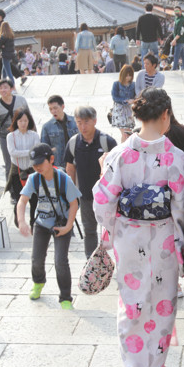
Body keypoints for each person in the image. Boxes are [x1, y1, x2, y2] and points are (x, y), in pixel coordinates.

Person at [93, 88, 184, 367]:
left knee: (131, 301)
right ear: (165, 115)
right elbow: (181, 207)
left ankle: (133, 365)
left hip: (128, 240)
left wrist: (112, 231)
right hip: (164, 242)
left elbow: (102, 200)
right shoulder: (176, 157)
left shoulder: (120, 155)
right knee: (163, 304)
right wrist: (182, 247)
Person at [17, 143, 81, 310]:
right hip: (42, 223)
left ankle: (65, 297)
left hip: (61, 224)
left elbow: (74, 204)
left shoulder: (63, 179)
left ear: (51, 160)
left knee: (60, 261)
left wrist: (68, 227)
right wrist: (22, 221)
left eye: (40, 163)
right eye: (34, 164)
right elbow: (22, 200)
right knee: (36, 259)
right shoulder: (34, 178)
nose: (37, 167)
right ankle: (38, 282)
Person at [65, 106, 117, 258]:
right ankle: (91, 262)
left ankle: (115, 261)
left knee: (112, 230)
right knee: (89, 231)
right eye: (79, 122)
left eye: (86, 122)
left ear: (95, 121)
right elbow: (70, 168)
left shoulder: (106, 141)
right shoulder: (74, 143)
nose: (83, 126)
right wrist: (72, 194)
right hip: (86, 196)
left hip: (107, 197)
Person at [6, 109, 40, 226]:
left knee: (34, 199)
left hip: (32, 171)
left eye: (25, 120)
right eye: (21, 121)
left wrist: (28, 152)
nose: (23, 123)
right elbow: (13, 152)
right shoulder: (11, 136)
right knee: (19, 197)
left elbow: (37, 151)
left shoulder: (34, 135)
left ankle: (33, 222)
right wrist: (30, 152)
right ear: (16, 122)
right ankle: (19, 220)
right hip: (17, 171)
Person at [0, 79, 28, 179]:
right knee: (9, 165)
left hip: (23, 135)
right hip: (5, 137)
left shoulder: (21, 100)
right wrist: (1, 137)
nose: (3, 90)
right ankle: (10, 189)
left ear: (11, 88)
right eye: (0, 88)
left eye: (5, 87)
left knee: (25, 163)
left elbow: (29, 117)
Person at [40, 95, 78, 169]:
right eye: (50, 109)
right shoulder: (47, 127)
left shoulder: (75, 122)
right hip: (59, 166)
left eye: (55, 108)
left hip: (76, 162)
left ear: (62, 107)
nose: (53, 111)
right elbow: (44, 150)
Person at [111, 64, 136, 142]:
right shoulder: (116, 84)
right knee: (125, 134)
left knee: (128, 134)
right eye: (126, 75)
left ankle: (124, 150)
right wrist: (126, 101)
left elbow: (137, 95)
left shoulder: (133, 85)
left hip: (128, 111)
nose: (128, 77)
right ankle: (123, 151)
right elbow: (115, 97)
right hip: (119, 111)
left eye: (130, 75)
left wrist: (133, 100)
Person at [171, 6, 184, 71]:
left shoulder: (181, 20)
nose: (176, 12)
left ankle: (174, 68)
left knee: (176, 55)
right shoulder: (176, 18)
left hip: (180, 40)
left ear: (180, 11)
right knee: (182, 54)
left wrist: (174, 39)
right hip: (178, 39)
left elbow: (181, 32)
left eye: (177, 10)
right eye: (175, 11)